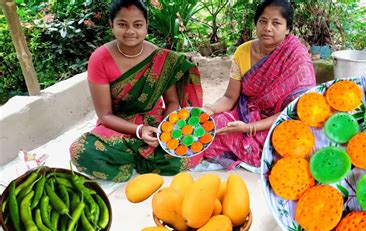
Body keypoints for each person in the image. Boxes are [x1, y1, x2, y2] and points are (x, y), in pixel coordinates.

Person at [70, 0, 202, 182]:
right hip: (119, 126)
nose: (130, 31)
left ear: (146, 26)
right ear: (111, 25)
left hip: (155, 123)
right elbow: (105, 115)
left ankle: (135, 159)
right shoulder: (99, 59)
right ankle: (141, 160)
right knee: (81, 152)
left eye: (137, 25)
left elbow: (172, 102)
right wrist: (139, 131)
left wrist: (164, 130)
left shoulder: (159, 57)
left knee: (191, 148)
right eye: (122, 24)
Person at [201, 0, 316, 170]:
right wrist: (209, 110)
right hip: (246, 112)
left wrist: (249, 128)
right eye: (263, 21)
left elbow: (297, 110)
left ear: (288, 29)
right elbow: (229, 97)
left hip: (283, 121)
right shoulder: (243, 51)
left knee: (299, 146)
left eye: (276, 23)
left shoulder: (297, 57)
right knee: (211, 127)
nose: (268, 28)